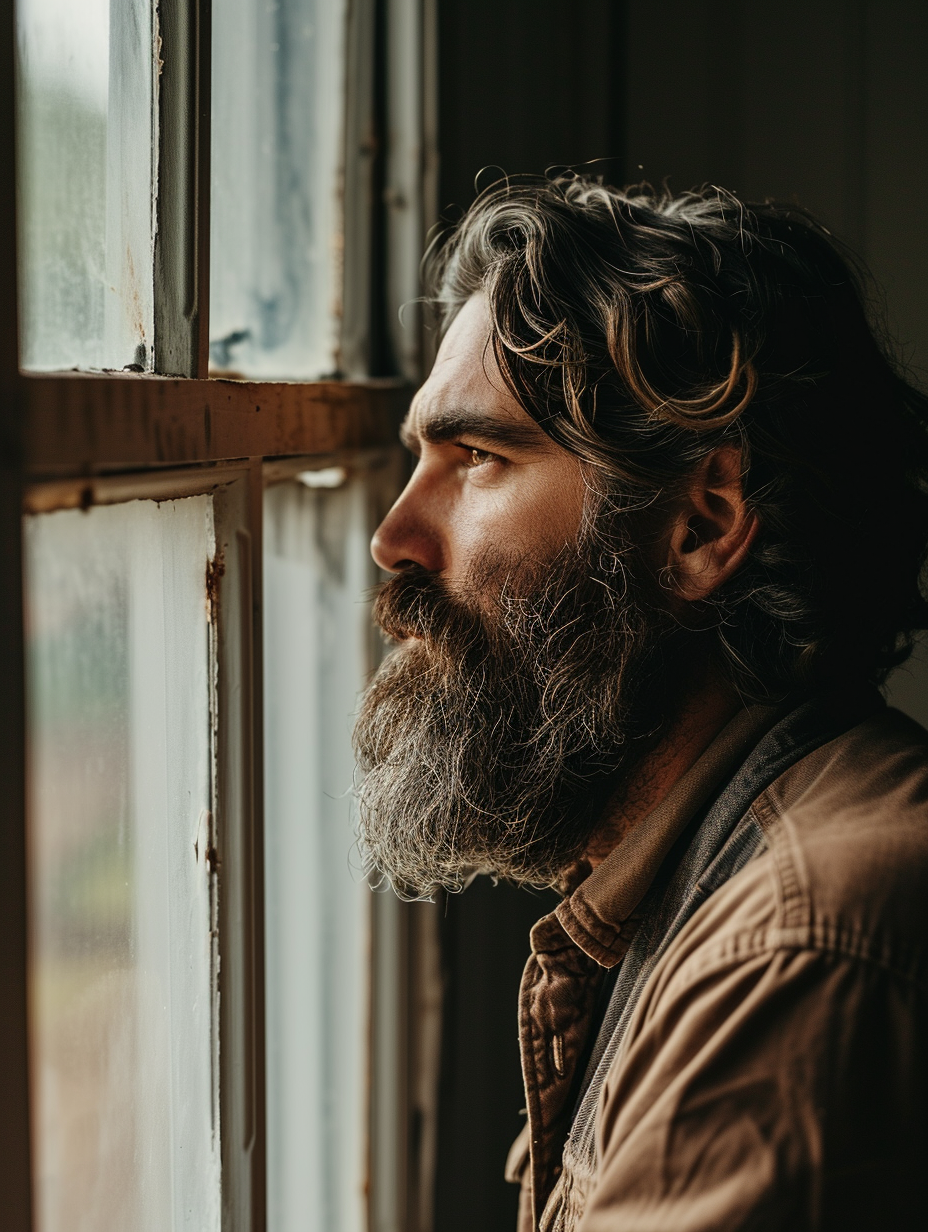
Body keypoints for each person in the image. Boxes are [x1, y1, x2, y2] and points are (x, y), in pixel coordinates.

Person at [352, 175, 928, 1231]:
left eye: (476, 456)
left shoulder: (794, 953)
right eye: (416, 459)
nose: (392, 539)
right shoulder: (723, 867)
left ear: (704, 524)